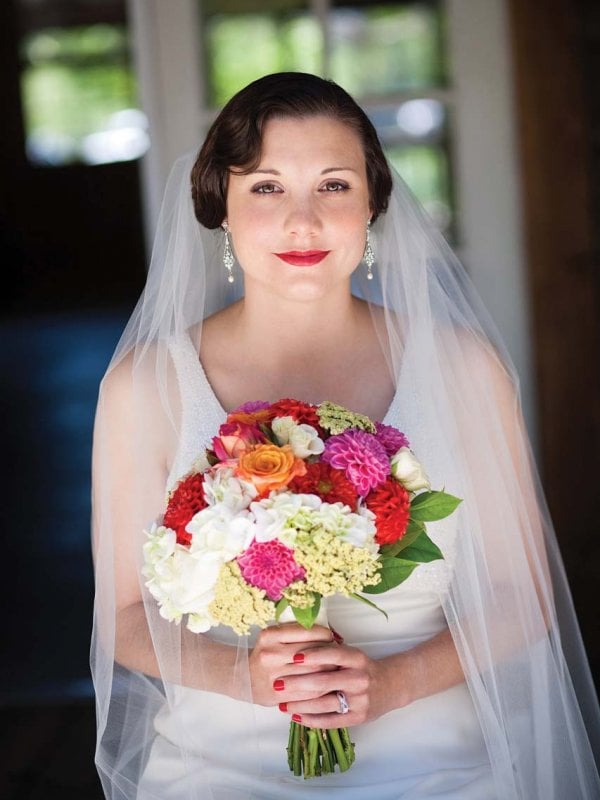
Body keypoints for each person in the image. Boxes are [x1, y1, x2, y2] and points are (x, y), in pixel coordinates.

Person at [91, 73, 600, 799]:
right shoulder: (146, 387)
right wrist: (245, 676)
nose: (303, 222)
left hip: (436, 767)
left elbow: (523, 595)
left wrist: (392, 683)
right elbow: (125, 619)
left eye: (333, 186)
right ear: (222, 209)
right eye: (266, 187)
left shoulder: (462, 368)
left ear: (371, 206)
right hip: (219, 769)